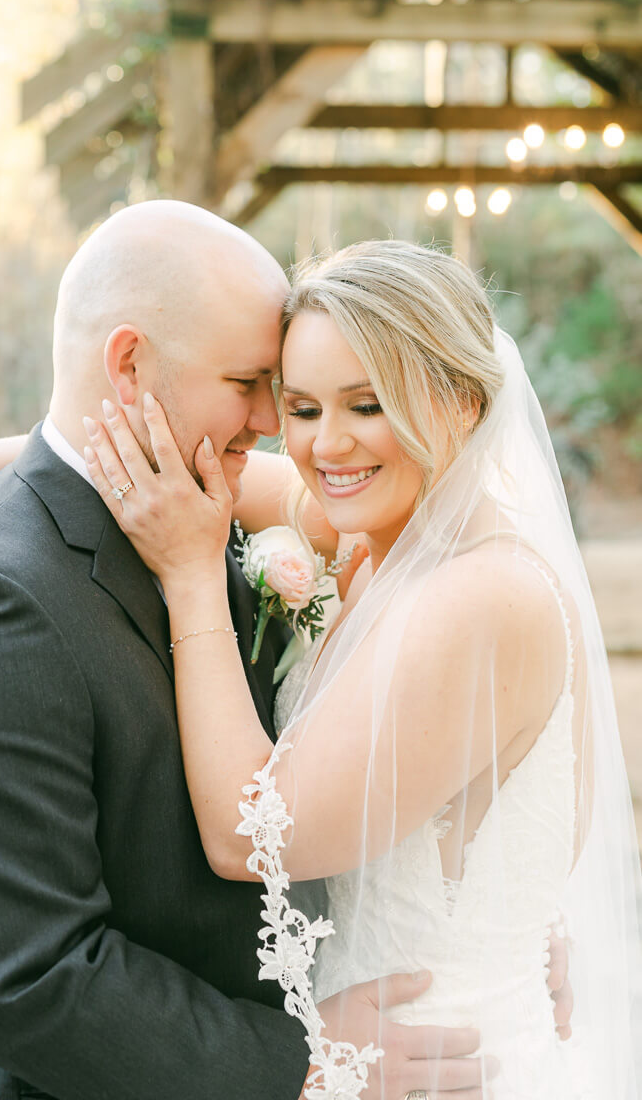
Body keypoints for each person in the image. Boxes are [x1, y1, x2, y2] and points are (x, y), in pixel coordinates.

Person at [0, 205, 503, 1100]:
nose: (278, 424)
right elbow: (29, 981)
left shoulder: (201, 517)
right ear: (128, 365)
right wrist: (306, 1064)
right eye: (249, 380)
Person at [76, 239, 642, 1098]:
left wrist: (192, 575)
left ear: (462, 400)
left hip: (447, 1070)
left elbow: (249, 836)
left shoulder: (482, 596)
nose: (327, 445)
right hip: (356, 1059)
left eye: (368, 404)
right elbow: (217, 478)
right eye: (301, 409)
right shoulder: (385, 539)